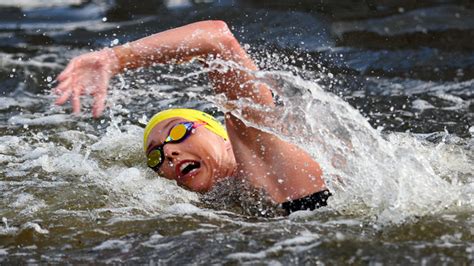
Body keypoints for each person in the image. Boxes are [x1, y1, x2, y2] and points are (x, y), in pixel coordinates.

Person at [53, 20, 331, 214]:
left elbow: (216, 38)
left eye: (179, 132)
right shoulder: (216, 206)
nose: (170, 152)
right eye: (155, 156)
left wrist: (115, 59)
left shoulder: (265, 151)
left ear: (222, 136)